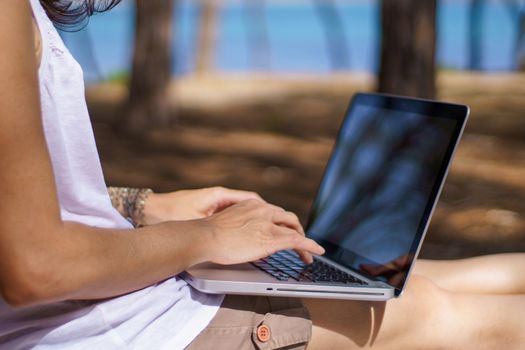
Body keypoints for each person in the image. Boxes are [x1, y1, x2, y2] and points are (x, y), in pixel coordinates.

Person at [0, 1, 524, 349]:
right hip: (107, 331)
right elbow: (40, 268)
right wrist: (206, 236)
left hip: (101, 304)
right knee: (435, 312)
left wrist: (141, 206)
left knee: (406, 278)